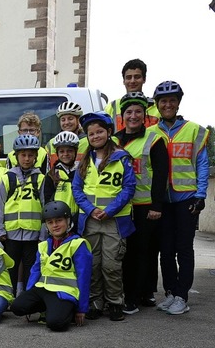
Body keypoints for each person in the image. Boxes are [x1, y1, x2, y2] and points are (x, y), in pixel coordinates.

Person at [148, 81, 209, 315]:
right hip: (162, 200)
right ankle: (171, 293)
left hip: (186, 199)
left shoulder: (194, 130)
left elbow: (202, 164)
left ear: (178, 103)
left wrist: (201, 194)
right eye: (163, 101)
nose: (168, 104)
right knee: (165, 249)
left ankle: (182, 296)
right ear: (158, 105)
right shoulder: (152, 133)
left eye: (172, 100)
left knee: (184, 249)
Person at [72, 112, 136, 321]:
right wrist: (91, 210)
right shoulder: (84, 161)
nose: (95, 136)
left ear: (109, 132)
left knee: (112, 265)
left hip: (114, 222)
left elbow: (128, 188)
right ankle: (95, 302)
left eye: (99, 132)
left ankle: (115, 302)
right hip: (89, 222)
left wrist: (110, 210)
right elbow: (77, 190)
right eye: (91, 134)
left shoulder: (122, 157)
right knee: (93, 264)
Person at [114, 92, 169, 315]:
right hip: (122, 205)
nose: (133, 116)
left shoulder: (154, 139)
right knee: (127, 252)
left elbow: (160, 174)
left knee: (143, 251)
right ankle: (135, 293)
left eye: (138, 112)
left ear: (144, 115)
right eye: (129, 112)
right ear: (123, 116)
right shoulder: (114, 140)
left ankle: (137, 296)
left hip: (146, 205)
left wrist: (157, 205)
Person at [10, 201, 92, 332]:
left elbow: (84, 278)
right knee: (17, 307)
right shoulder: (43, 245)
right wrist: (28, 295)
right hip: (42, 289)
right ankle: (48, 308)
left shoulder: (78, 244)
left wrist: (82, 309)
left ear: (68, 221)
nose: (55, 225)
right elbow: (35, 271)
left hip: (64, 293)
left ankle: (67, 311)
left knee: (55, 324)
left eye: (59, 220)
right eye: (50, 222)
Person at [0, 134, 45, 296]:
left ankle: (28, 299)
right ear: (16, 156)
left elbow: (45, 208)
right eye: (23, 155)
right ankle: (9, 296)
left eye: (30, 155)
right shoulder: (8, 178)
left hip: (33, 235)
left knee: (31, 268)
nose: (27, 159)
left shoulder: (41, 179)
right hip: (10, 234)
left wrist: (43, 234)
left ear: (36, 157)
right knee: (10, 268)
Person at [103, 59, 161, 131]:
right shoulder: (112, 107)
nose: (132, 81)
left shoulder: (157, 107)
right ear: (123, 81)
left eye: (137, 77)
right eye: (128, 77)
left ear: (144, 79)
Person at [44, 131, 80, 232]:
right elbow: (47, 200)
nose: (65, 154)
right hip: (59, 222)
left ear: (75, 151)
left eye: (69, 151)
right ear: (57, 153)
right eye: (62, 151)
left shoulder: (82, 171)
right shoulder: (52, 174)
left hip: (80, 219)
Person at [45, 102, 88, 170]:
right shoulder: (51, 143)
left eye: (70, 119)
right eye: (63, 120)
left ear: (78, 120)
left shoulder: (88, 141)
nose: (66, 122)